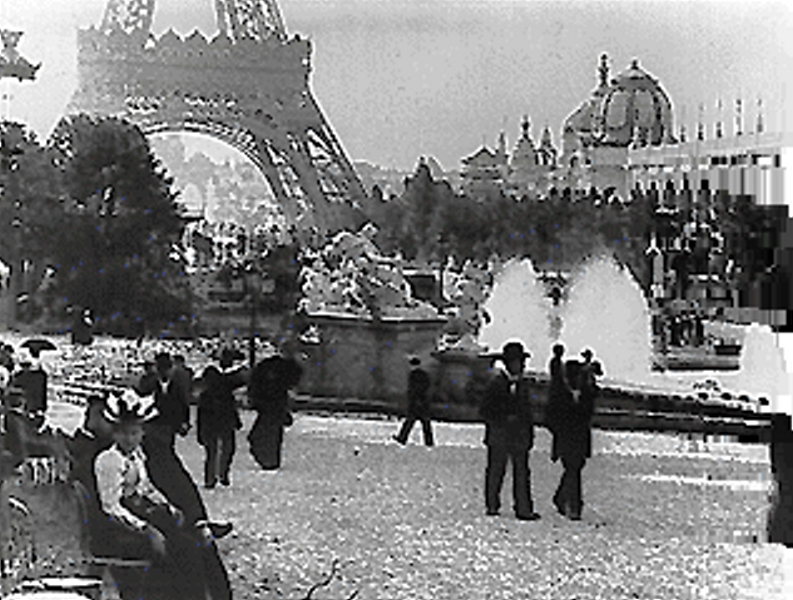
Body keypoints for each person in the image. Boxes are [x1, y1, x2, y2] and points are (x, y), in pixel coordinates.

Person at [92, 390, 212, 600]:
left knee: (192, 544)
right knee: (184, 549)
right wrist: (147, 530)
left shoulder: (137, 456)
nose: (129, 439)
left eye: (134, 433)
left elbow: (146, 488)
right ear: (114, 434)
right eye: (124, 433)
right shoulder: (109, 460)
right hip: (118, 527)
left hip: (141, 514)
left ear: (142, 433)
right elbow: (111, 506)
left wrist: (170, 507)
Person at [480, 341, 540, 521]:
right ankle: (492, 504)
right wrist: (504, 417)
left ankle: (523, 508)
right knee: (497, 470)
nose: (522, 365)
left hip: (518, 435)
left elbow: (527, 412)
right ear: (508, 363)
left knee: (522, 472)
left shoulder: (523, 385)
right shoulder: (495, 384)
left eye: (522, 362)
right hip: (500, 434)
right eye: (519, 362)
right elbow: (485, 410)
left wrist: (529, 434)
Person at [548, 348, 600, 520]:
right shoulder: (561, 394)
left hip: (580, 437)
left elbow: (592, 396)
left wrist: (589, 367)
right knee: (573, 468)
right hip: (566, 436)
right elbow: (551, 416)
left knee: (574, 467)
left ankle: (561, 497)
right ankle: (575, 505)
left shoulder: (584, 394)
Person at [248, 340, 303, 470]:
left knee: (264, 432)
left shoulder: (268, 365)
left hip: (268, 403)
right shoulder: (290, 367)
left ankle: (268, 459)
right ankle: (270, 459)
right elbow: (293, 382)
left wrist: (254, 397)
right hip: (275, 404)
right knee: (272, 433)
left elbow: (255, 380)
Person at [198, 350, 245, 488]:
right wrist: (236, 421)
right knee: (227, 449)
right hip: (226, 423)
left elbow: (201, 415)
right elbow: (231, 407)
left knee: (211, 453)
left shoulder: (205, 395)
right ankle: (223, 472)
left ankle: (210, 478)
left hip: (211, 426)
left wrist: (200, 432)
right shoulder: (225, 391)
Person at [393, 356, 434, 446]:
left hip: (416, 402)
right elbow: (427, 387)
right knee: (425, 423)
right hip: (424, 402)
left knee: (409, 422)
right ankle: (429, 441)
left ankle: (402, 438)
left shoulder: (413, 375)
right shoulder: (424, 374)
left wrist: (413, 400)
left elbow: (413, 389)